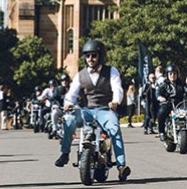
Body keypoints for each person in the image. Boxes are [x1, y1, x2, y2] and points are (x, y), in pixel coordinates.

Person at [55, 40, 131, 182]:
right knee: (69, 119)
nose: (90, 59)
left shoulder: (111, 71)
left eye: (94, 55)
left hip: (105, 110)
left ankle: (121, 167)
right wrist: (68, 103)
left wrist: (115, 101)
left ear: (100, 56)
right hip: (86, 111)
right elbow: (71, 94)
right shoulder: (80, 74)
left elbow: (117, 89)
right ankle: (64, 153)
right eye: (88, 56)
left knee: (114, 128)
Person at [156, 65, 187, 141]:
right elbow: (158, 92)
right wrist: (159, 97)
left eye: (174, 73)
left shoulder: (182, 83)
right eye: (170, 74)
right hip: (168, 104)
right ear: (167, 75)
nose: (172, 75)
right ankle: (161, 132)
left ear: (177, 74)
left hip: (180, 104)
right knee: (161, 112)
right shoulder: (164, 84)